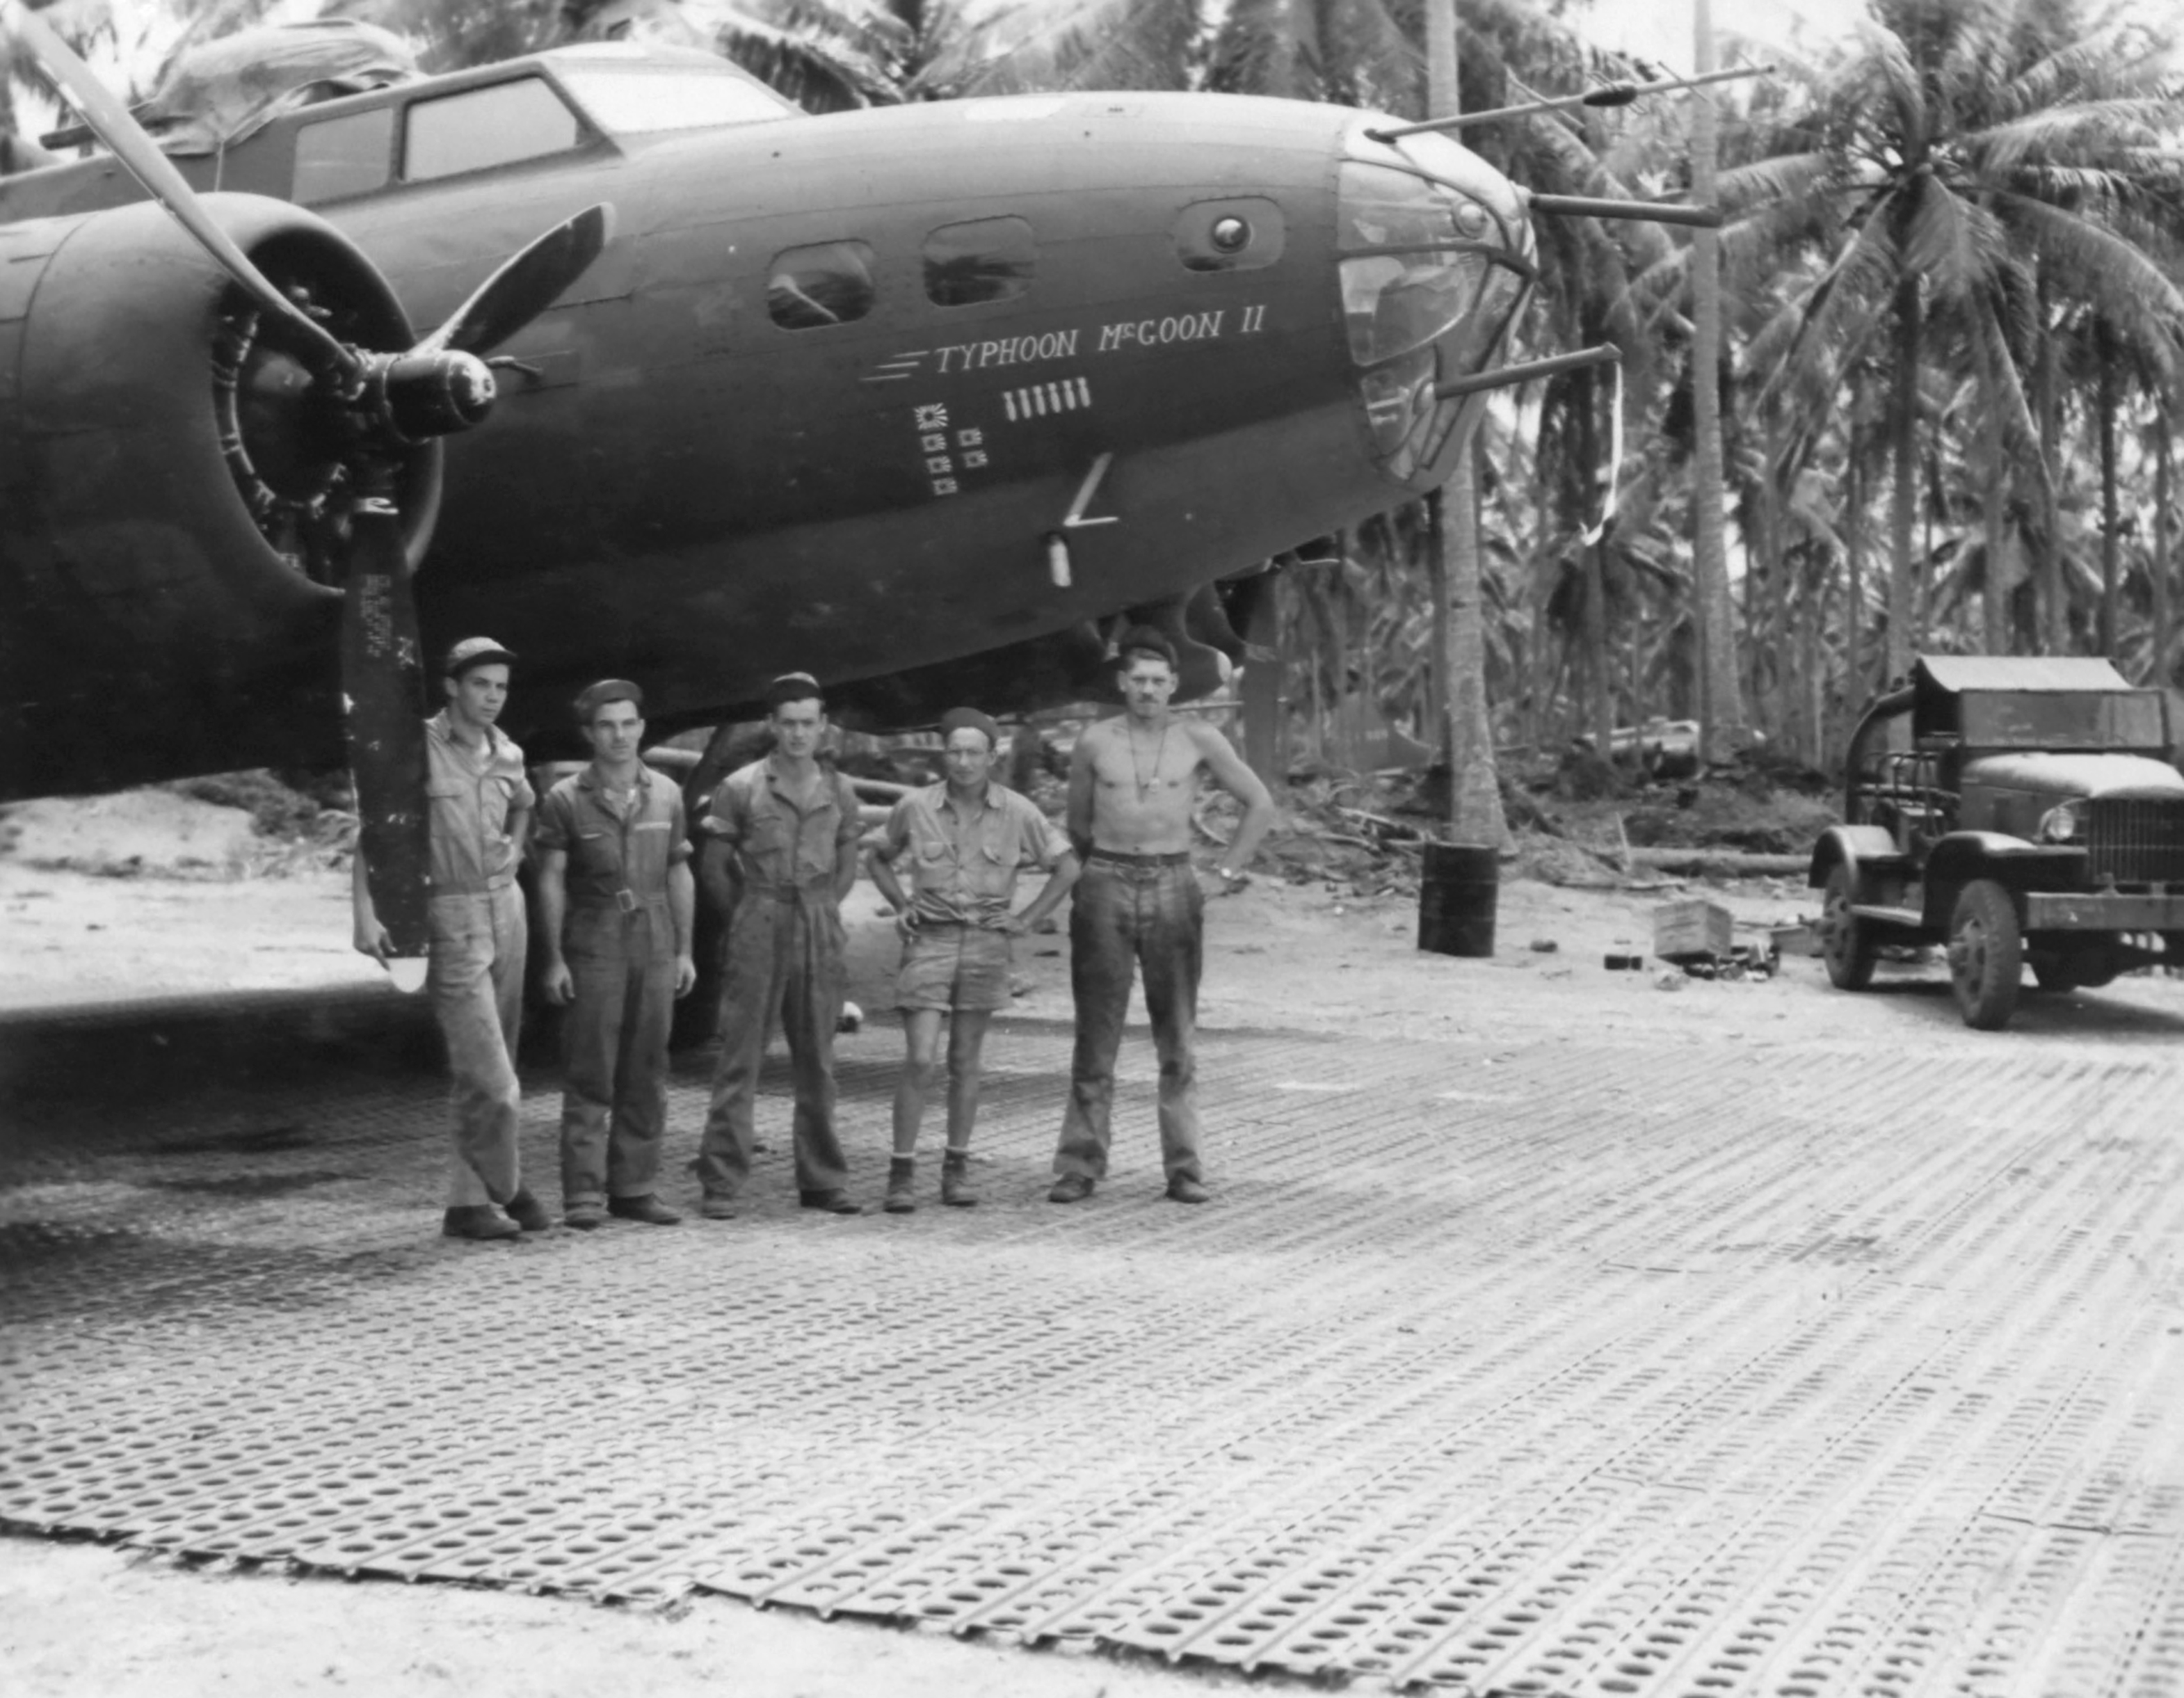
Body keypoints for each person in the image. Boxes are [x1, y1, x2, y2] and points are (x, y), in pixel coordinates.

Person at [1047, 627, 1277, 1206]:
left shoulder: (1197, 737)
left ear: (1175, 685)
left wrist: (1225, 872)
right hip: (1105, 883)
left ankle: (1184, 1167)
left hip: (1174, 883)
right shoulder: (1095, 741)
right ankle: (1079, 1164)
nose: (1148, 690)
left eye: (1159, 681)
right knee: (1096, 1033)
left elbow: (1259, 802)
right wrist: (1101, 863)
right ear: (1122, 682)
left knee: (1176, 1035)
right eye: (1138, 680)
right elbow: (1077, 820)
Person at [353, 636, 547, 1242]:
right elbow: (374, 832)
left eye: (501, 686)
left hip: (506, 908)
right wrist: (363, 915)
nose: (493, 697)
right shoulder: (416, 747)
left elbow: (525, 805)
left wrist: (517, 847)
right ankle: (510, 1187)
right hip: (450, 913)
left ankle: (467, 1205)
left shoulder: (507, 752)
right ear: (452, 686)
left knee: (489, 1064)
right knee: (494, 1079)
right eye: (481, 684)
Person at [867, 707, 1079, 1212]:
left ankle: (955, 1170)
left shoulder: (1018, 811)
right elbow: (877, 854)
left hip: (986, 942)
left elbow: (1068, 866)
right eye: (954, 751)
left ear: (992, 756)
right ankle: (901, 1173)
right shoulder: (915, 806)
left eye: (974, 752)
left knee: (966, 1062)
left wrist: (1026, 920)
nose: (963, 762)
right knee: (920, 1058)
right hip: (931, 940)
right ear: (944, 754)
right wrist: (901, 904)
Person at [693, 673, 867, 1217]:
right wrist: (747, 912)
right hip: (760, 917)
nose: (797, 734)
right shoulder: (742, 785)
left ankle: (822, 1179)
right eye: (787, 723)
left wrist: (822, 906)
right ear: (772, 725)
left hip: (817, 919)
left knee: (817, 1057)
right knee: (740, 1057)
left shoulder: (838, 788)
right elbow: (715, 866)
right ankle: (720, 1181)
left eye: (807, 723)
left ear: (822, 726)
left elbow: (846, 859)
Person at [533, 680, 698, 1231]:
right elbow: (552, 880)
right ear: (589, 733)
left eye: (628, 723)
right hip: (596, 932)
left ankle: (635, 1186)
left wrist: (684, 950)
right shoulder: (564, 798)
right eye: (607, 725)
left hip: (654, 934)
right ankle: (583, 1193)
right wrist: (554, 957)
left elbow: (679, 870)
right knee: (590, 1067)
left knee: (648, 1065)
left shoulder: (667, 794)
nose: (619, 735)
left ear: (643, 727)